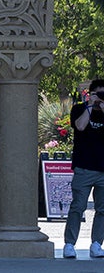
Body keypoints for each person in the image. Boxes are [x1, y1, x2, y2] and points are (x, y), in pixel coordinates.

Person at [64, 80, 104, 259]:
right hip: (84, 168)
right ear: (91, 93)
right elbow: (80, 126)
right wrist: (90, 105)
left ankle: (97, 244)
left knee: (102, 210)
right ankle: (69, 244)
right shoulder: (79, 109)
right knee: (77, 207)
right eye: (98, 93)